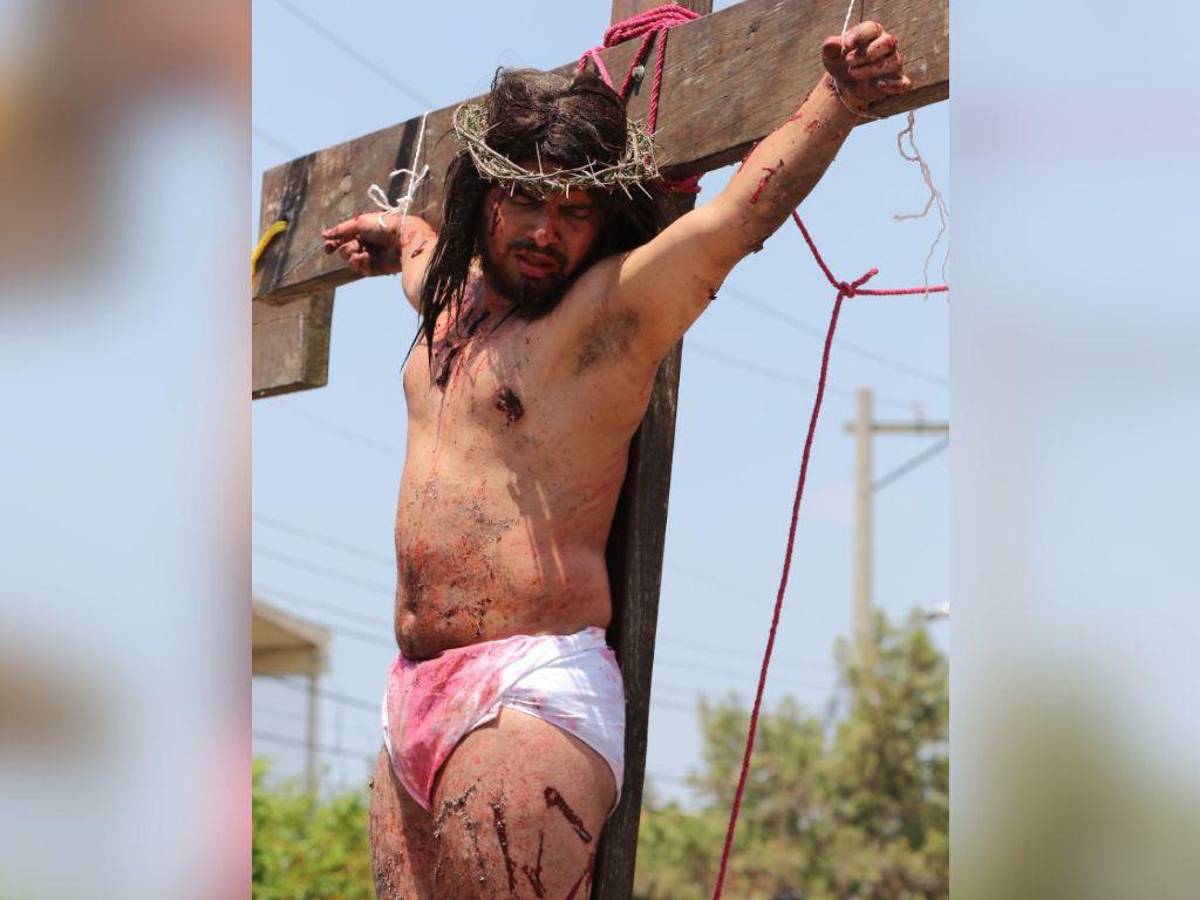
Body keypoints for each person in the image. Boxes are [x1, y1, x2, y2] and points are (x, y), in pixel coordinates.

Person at [321, 20, 910, 899]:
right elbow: (419, 252)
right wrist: (394, 237)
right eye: (527, 199)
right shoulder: (450, 297)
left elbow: (737, 218)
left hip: (527, 692)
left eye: (575, 211)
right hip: (412, 689)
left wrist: (842, 99)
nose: (547, 231)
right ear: (486, 198)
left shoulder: (606, 317)